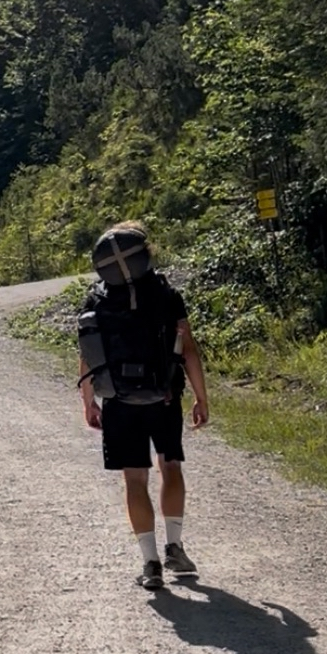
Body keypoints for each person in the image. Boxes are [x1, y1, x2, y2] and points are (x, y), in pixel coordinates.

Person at [77, 220, 209, 591]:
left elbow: (88, 354)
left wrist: (90, 402)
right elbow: (190, 349)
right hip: (164, 396)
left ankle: (150, 563)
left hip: (118, 400)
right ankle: (175, 548)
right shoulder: (166, 294)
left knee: (134, 479)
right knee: (171, 467)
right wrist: (201, 397)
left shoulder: (97, 299)